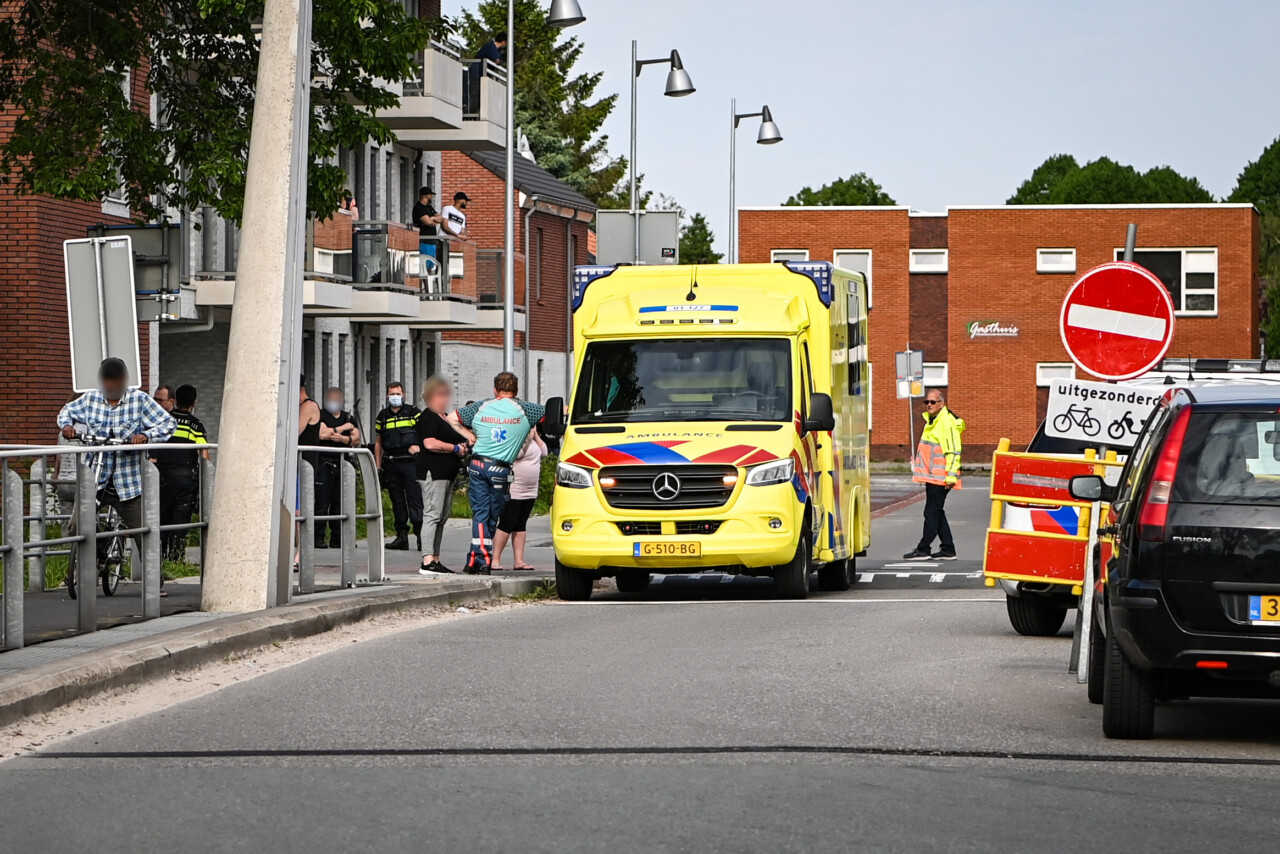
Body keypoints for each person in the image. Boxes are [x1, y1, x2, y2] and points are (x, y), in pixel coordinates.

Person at [57, 358, 176, 590]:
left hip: (128, 483)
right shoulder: (90, 399)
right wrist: (67, 427)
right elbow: (66, 411)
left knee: (144, 531)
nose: (110, 386)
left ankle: (154, 580)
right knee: (76, 524)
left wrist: (146, 436)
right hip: (96, 477)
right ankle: (92, 558)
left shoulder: (139, 400)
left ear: (124, 381)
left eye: (115, 382)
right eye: (107, 382)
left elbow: (168, 423)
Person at [454, 372, 544, 574]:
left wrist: (470, 435)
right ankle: (484, 558)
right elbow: (552, 413)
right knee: (491, 515)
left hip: (478, 464)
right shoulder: (526, 409)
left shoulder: (482, 406)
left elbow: (452, 418)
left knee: (482, 513)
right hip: (500, 468)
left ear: (495, 390)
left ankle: (474, 559)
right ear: (516, 390)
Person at [414, 376, 473, 575]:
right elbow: (430, 443)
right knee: (432, 514)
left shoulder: (445, 417)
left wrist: (463, 446)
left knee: (442, 516)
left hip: (447, 473)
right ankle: (427, 560)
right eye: (440, 394)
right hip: (433, 472)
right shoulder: (428, 417)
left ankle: (435, 558)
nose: (445, 398)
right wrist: (454, 448)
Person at [903, 391, 965, 561]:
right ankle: (948, 549)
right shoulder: (934, 421)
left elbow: (953, 451)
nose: (929, 405)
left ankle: (923, 549)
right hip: (934, 477)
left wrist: (951, 477)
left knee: (931, 512)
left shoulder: (945, 422)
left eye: (933, 402)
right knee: (937, 511)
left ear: (941, 404)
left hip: (941, 477)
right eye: (927, 402)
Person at [151, 384, 209, 563]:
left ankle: (159, 559)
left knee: (162, 519)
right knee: (181, 521)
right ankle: (176, 559)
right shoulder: (195, 425)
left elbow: (153, 455)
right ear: (194, 404)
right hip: (186, 481)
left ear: (175, 402)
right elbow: (204, 454)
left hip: (163, 478)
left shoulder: (164, 421)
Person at [374, 381, 423, 551]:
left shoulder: (413, 412)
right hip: (391, 463)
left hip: (410, 463)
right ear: (387, 395)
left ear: (404, 395)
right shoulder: (383, 416)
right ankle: (401, 536)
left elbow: (425, 433)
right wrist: (378, 466)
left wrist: (419, 448)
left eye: (398, 393)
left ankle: (421, 536)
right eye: (392, 394)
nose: (395, 397)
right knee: (397, 501)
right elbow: (378, 442)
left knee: (415, 500)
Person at [491, 428, 546, 571]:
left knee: (521, 524)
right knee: (507, 522)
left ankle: (519, 561)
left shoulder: (533, 438)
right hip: (515, 488)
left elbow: (544, 452)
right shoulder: (516, 438)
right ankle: (495, 559)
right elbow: (517, 454)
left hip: (530, 490)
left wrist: (535, 435)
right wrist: (527, 438)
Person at [316, 387, 362, 549]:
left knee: (340, 502)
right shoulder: (320, 415)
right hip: (323, 463)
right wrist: (342, 429)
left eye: (336, 399)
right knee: (321, 502)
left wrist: (341, 438)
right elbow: (322, 434)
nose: (333, 402)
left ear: (341, 400)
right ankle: (318, 537)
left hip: (343, 463)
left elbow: (356, 438)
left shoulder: (349, 417)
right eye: (331, 398)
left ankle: (338, 538)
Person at [411, 186, 447, 293]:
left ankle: (428, 290)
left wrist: (432, 219)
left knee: (430, 267)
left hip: (432, 242)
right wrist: (433, 220)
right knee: (423, 267)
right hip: (423, 241)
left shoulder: (429, 208)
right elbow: (428, 222)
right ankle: (422, 290)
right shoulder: (418, 208)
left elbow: (440, 218)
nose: (431, 197)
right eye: (431, 195)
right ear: (427, 195)